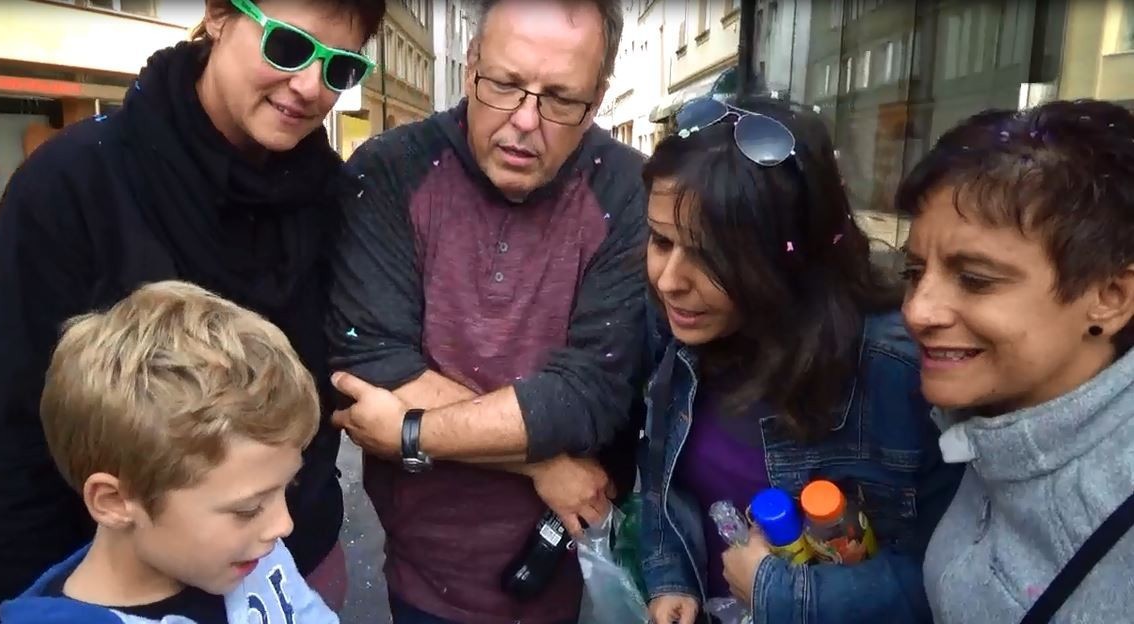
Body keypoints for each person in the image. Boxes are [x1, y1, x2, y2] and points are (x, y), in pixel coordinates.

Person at [0, 1, 385, 621]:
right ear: (217, 16)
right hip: (119, 591)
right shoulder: (74, 183)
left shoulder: (329, 195)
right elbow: (7, 441)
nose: (311, 87)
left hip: (295, 569)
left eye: (340, 68)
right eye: (288, 47)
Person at [324, 0, 647, 622]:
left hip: (570, 574)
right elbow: (374, 364)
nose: (525, 120)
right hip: (421, 574)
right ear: (471, 65)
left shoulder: (627, 189)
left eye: (560, 98)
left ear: (599, 95)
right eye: (504, 84)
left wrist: (410, 431)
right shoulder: (391, 170)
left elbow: (589, 394)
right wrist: (544, 463)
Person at [636, 95, 963, 624]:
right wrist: (670, 575)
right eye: (660, 241)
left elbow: (951, 577)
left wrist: (781, 594)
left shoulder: (898, 371)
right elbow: (661, 486)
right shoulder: (681, 340)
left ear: (791, 254)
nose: (670, 281)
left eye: (711, 255)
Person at [899, 99, 1134, 623]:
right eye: (913, 273)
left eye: (976, 279)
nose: (917, 311)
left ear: (1111, 297)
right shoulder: (995, 414)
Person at [0, 281, 336, 624]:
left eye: (287, 487)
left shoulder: (252, 558)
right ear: (114, 501)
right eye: (247, 510)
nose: (283, 525)